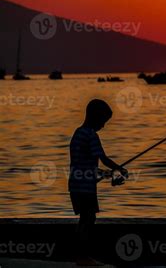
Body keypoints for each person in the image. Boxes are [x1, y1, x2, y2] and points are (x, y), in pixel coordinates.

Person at [69, 99, 128, 265]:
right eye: (103, 121)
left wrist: (110, 176)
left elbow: (85, 165)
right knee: (88, 219)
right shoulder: (91, 135)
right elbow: (103, 159)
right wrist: (120, 169)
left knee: (84, 219)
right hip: (85, 187)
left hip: (75, 184)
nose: (103, 126)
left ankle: (78, 255)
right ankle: (82, 256)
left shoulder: (78, 133)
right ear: (95, 117)